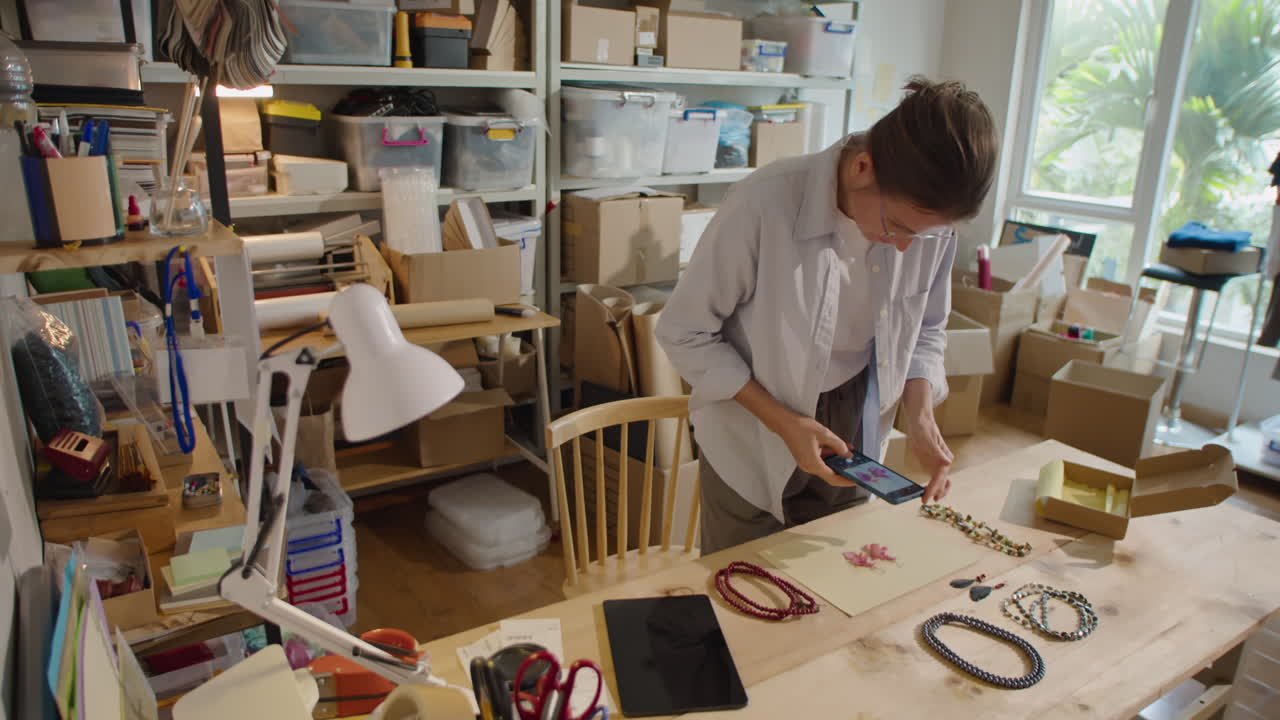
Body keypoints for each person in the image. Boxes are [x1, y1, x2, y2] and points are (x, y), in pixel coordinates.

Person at [656, 77, 999, 555]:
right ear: (863, 166)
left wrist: (919, 414)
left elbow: (926, 328)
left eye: (921, 237)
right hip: (753, 414)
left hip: (855, 414)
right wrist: (785, 423)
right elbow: (685, 332)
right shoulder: (766, 201)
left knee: (835, 576)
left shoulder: (929, 225)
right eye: (897, 226)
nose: (904, 246)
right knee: (739, 583)